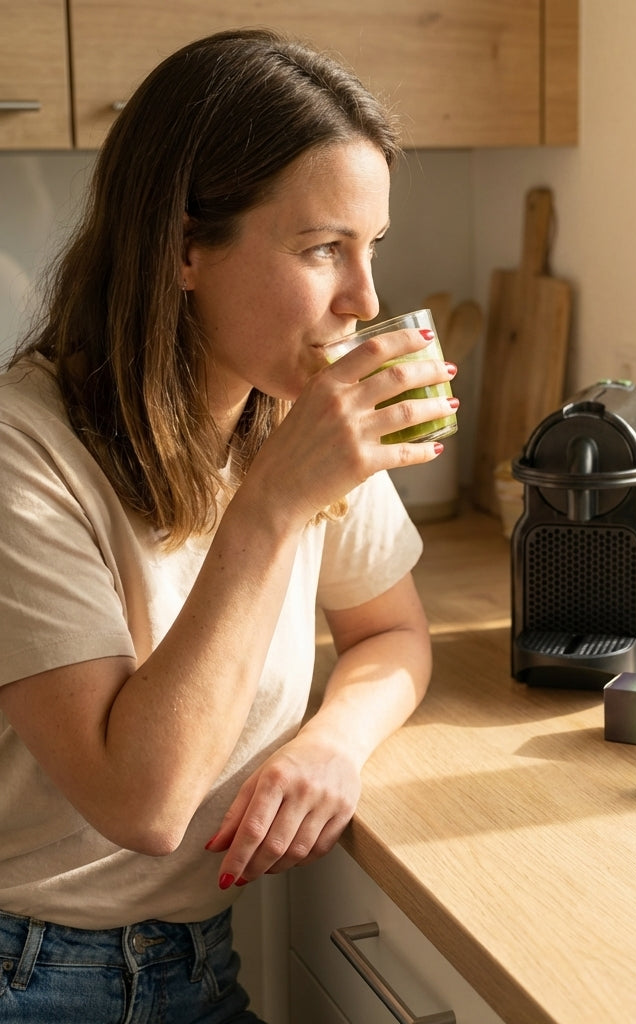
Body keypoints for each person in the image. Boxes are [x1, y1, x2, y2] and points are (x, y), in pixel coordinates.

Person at [0, 28, 455, 1022]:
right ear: (183, 248)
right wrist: (270, 507)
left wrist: (335, 740)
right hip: (32, 974)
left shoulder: (290, 408)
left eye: (370, 246)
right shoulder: (19, 453)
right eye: (322, 248)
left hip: (193, 962)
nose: (364, 299)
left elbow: (392, 633)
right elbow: (144, 804)